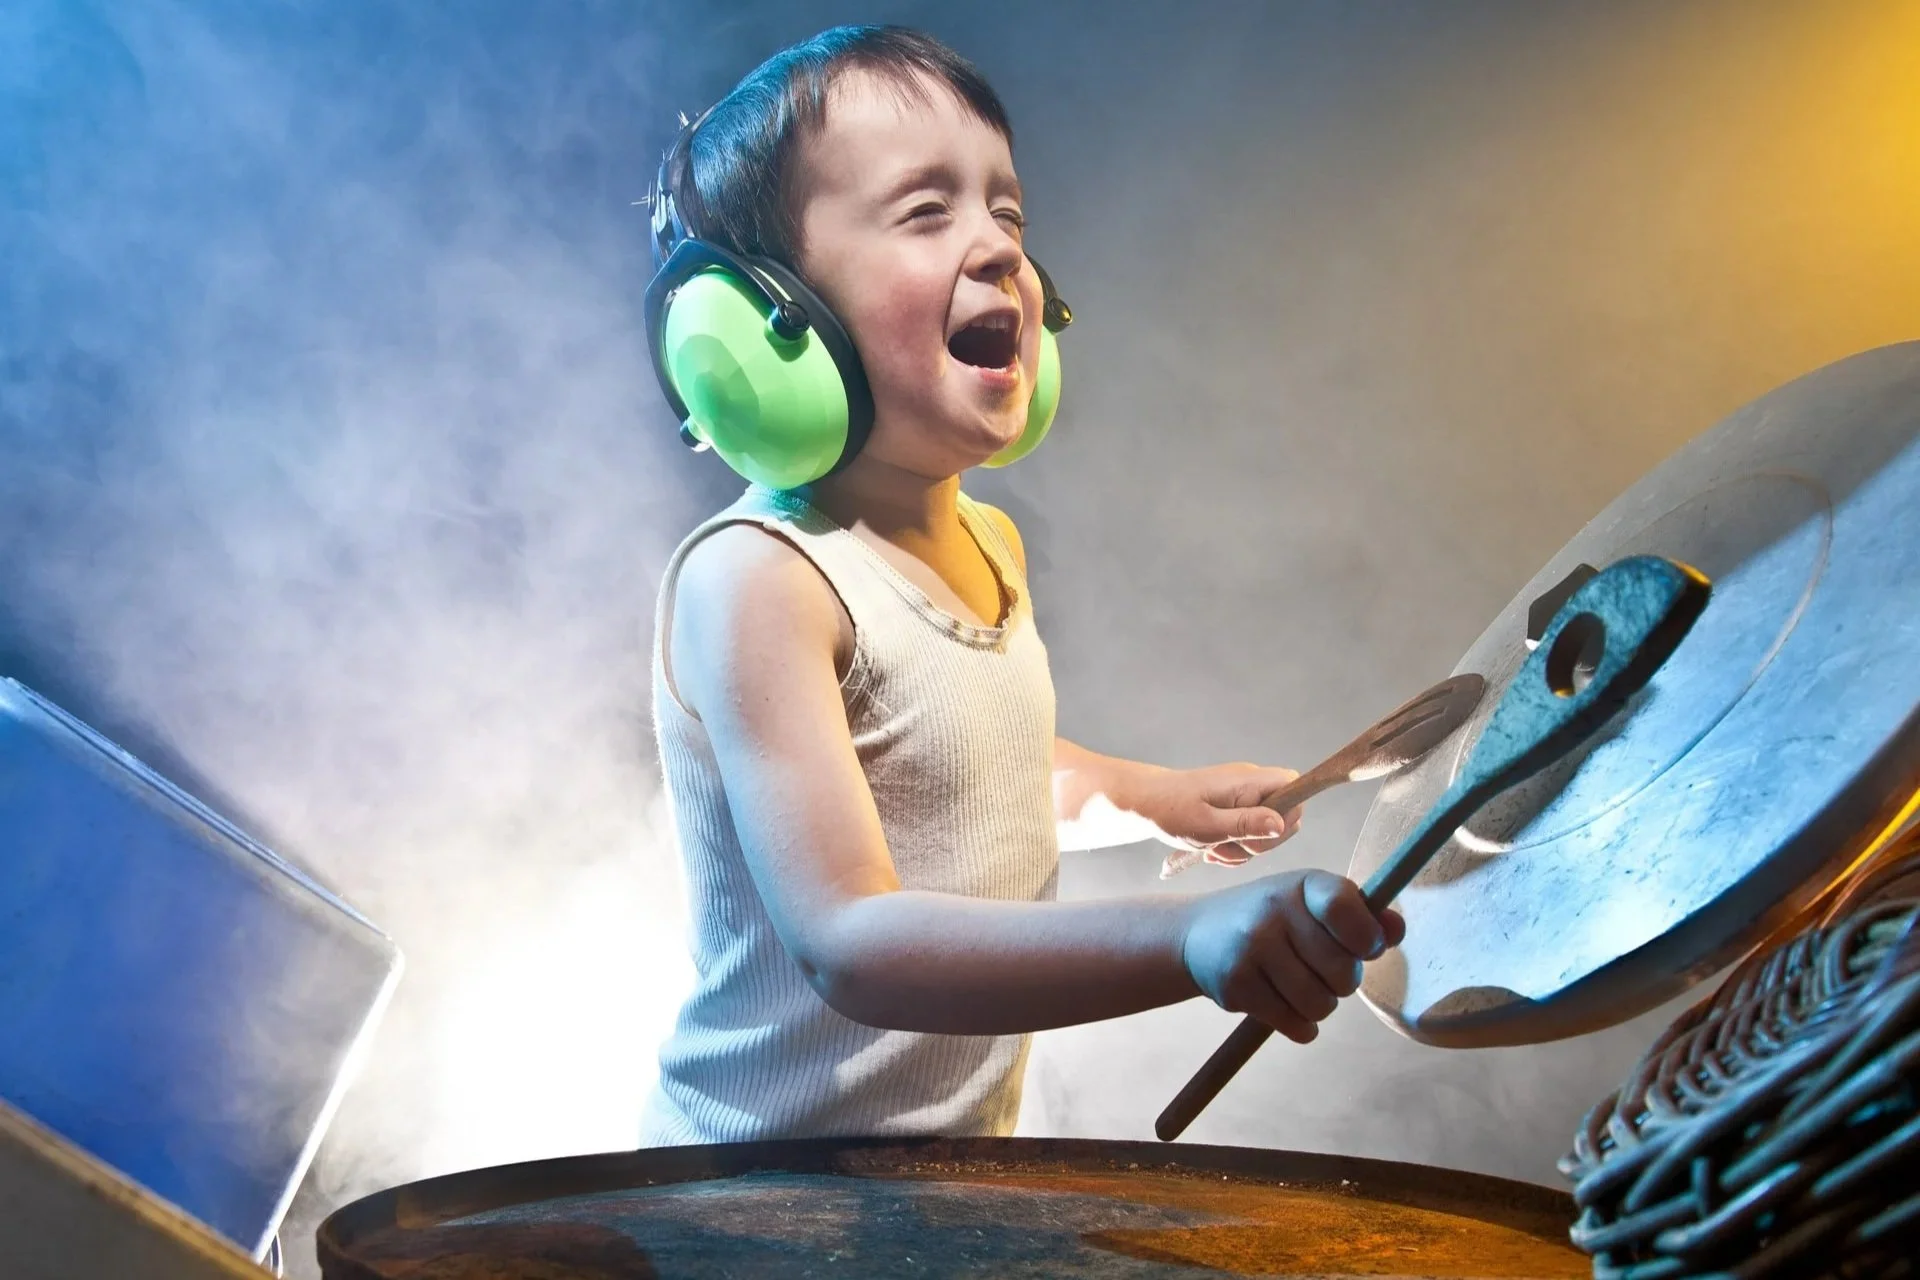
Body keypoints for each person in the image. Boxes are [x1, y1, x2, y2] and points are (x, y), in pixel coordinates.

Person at [639, 24, 1403, 1146]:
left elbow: (960, 763)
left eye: (1007, 211)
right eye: (925, 210)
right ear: (764, 320)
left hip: (935, 1200)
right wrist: (1188, 938)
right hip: (749, 1207)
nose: (1000, 248)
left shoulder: (990, 542)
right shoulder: (760, 580)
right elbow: (853, 938)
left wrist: (1160, 798)